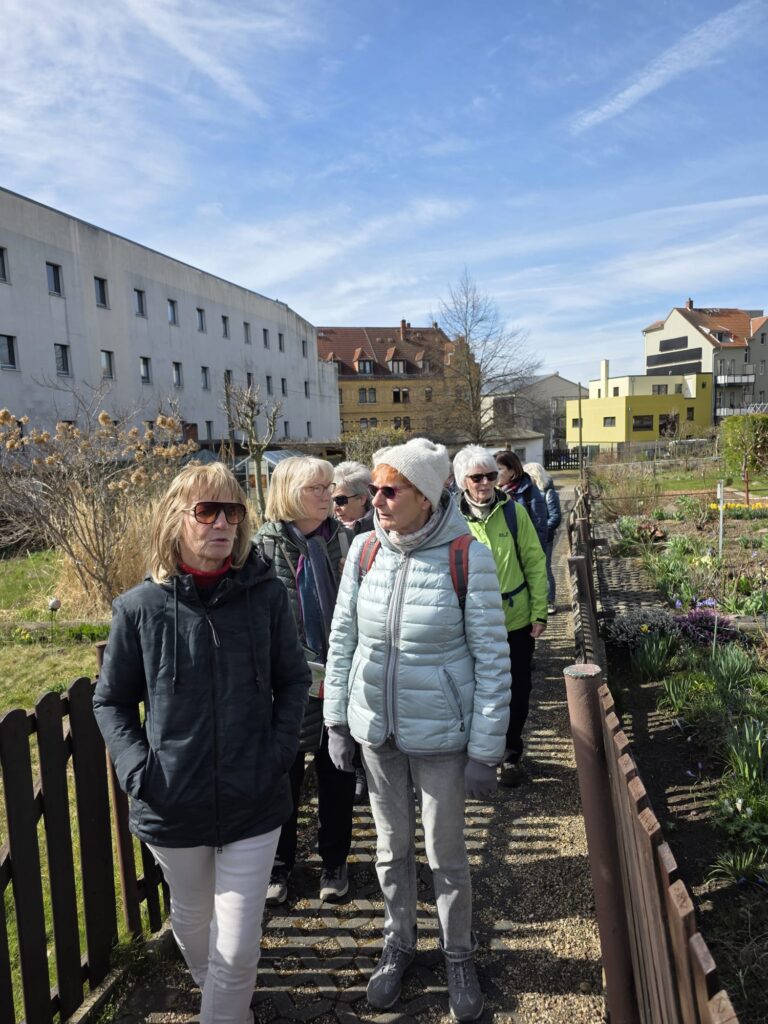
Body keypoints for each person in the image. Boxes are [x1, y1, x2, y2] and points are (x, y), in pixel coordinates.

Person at [93, 461, 310, 1024]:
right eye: (206, 510)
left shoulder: (265, 596)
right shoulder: (138, 608)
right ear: (176, 518)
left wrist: (278, 753)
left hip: (254, 798)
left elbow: (293, 680)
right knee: (191, 923)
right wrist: (140, 772)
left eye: (232, 511)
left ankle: (225, 1001)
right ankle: (225, 999)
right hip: (173, 802)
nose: (221, 523)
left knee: (237, 950)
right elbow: (111, 700)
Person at [323, 437, 511, 1021]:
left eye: (388, 490)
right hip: (377, 731)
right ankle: (398, 942)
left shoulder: (466, 554)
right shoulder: (362, 553)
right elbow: (342, 641)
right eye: (372, 490)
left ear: (426, 497)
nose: (374, 500)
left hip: (442, 737)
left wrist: (486, 748)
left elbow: (492, 658)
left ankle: (458, 953)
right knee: (389, 848)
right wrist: (335, 719)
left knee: (446, 854)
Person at [256, 456, 356, 904]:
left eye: (329, 487)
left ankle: (334, 862)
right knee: (284, 776)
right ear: (289, 492)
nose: (327, 495)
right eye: (316, 488)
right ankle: (279, 866)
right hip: (287, 683)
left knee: (337, 772)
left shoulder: (346, 539)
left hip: (338, 675)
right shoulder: (261, 548)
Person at [454, 445, 548, 788]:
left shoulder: (514, 513)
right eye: (476, 477)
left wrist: (540, 610)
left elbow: (535, 563)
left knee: (517, 690)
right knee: (471, 689)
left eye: (490, 475)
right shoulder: (451, 518)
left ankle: (511, 754)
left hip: (515, 619)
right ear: (463, 481)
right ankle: (477, 753)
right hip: (468, 621)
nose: (484, 483)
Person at [524, 462, 562, 615]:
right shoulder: (527, 493)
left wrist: (540, 531)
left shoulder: (549, 493)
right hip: (529, 538)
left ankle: (550, 601)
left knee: (545, 569)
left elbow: (555, 517)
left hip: (544, 538)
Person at [494, 450, 548, 550]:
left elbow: (540, 528)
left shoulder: (529, 491)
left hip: (524, 551)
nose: (494, 473)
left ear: (512, 470)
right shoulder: (493, 493)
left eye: (499, 469)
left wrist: (535, 557)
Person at [332, 460, 374, 535]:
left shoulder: (383, 527)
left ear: (362, 499)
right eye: (331, 501)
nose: (335, 508)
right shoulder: (328, 530)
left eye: (340, 500)